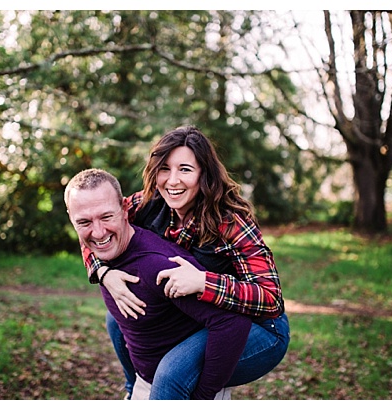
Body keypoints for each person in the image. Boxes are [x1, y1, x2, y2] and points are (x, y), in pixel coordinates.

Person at [80, 125, 289, 399]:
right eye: (164, 168)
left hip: (258, 329)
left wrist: (203, 282)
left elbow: (271, 299)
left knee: (171, 373)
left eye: (185, 169)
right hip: (202, 317)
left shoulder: (231, 223)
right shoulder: (148, 204)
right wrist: (103, 271)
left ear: (204, 173)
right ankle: (134, 391)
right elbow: (96, 226)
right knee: (117, 319)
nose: (172, 180)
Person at [65, 168, 251, 400]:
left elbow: (232, 323)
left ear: (125, 210)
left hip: (181, 386)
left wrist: (203, 396)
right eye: (84, 222)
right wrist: (103, 273)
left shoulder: (160, 266)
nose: (99, 232)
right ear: (72, 219)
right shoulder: (106, 258)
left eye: (106, 217)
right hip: (147, 380)